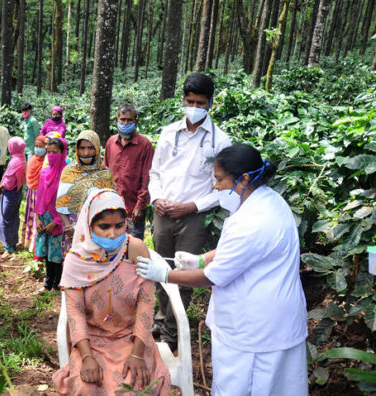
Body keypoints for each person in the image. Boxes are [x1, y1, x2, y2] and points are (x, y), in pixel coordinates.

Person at [136, 143, 308, 395]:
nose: (215, 186)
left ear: (244, 178)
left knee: (247, 387)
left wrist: (163, 274)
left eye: (219, 179)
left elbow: (210, 277)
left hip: (255, 328)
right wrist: (202, 258)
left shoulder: (252, 222)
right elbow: (235, 252)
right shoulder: (269, 201)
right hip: (273, 319)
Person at [52, 189, 171, 395]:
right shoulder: (77, 259)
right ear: (90, 225)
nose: (113, 233)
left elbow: (146, 304)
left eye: (119, 225)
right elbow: (75, 311)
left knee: (133, 385)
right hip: (91, 340)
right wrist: (87, 357)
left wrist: (137, 354)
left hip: (132, 337)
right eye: (104, 226)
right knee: (87, 386)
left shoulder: (135, 249)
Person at [148, 72, 232, 348]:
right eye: (190, 101)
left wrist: (191, 206)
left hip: (193, 217)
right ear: (182, 100)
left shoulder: (220, 141)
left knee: (183, 273)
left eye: (201, 103)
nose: (194, 108)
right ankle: (161, 321)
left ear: (210, 104)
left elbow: (221, 187)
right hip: (162, 213)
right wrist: (157, 198)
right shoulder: (168, 133)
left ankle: (174, 330)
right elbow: (155, 172)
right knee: (161, 267)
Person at [104, 103, 154, 240]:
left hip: (133, 210)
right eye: (123, 120)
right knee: (111, 246)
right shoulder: (110, 143)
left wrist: (140, 205)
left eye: (129, 120)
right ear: (117, 120)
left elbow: (147, 178)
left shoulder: (145, 146)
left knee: (133, 248)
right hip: (111, 206)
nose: (125, 123)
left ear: (136, 121)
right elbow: (105, 174)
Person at [56, 130, 114, 243]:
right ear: (77, 149)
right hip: (72, 228)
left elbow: (111, 205)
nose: (86, 153)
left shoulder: (105, 173)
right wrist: (68, 226)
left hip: (99, 229)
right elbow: (61, 202)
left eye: (90, 148)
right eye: (82, 148)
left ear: (97, 148)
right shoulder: (69, 171)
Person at [33, 137, 68, 294]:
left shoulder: (67, 173)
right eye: (49, 152)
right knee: (47, 251)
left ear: (62, 153)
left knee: (57, 254)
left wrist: (56, 221)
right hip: (44, 216)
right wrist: (38, 218)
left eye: (56, 152)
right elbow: (40, 195)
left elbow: (68, 200)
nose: (52, 155)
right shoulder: (45, 171)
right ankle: (47, 283)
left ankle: (57, 284)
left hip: (59, 219)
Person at [0, 137, 27, 259]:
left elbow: (9, 182)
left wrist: (0, 187)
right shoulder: (21, 158)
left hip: (10, 193)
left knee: (5, 220)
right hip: (18, 192)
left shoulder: (15, 161)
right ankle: (13, 242)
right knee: (14, 218)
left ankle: (8, 248)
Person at [20, 135, 48, 250]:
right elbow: (28, 176)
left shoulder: (47, 161)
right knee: (31, 216)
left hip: (41, 194)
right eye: (36, 146)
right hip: (32, 193)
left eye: (41, 146)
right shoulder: (32, 159)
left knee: (39, 219)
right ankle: (28, 240)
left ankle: (37, 245)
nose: (38, 148)